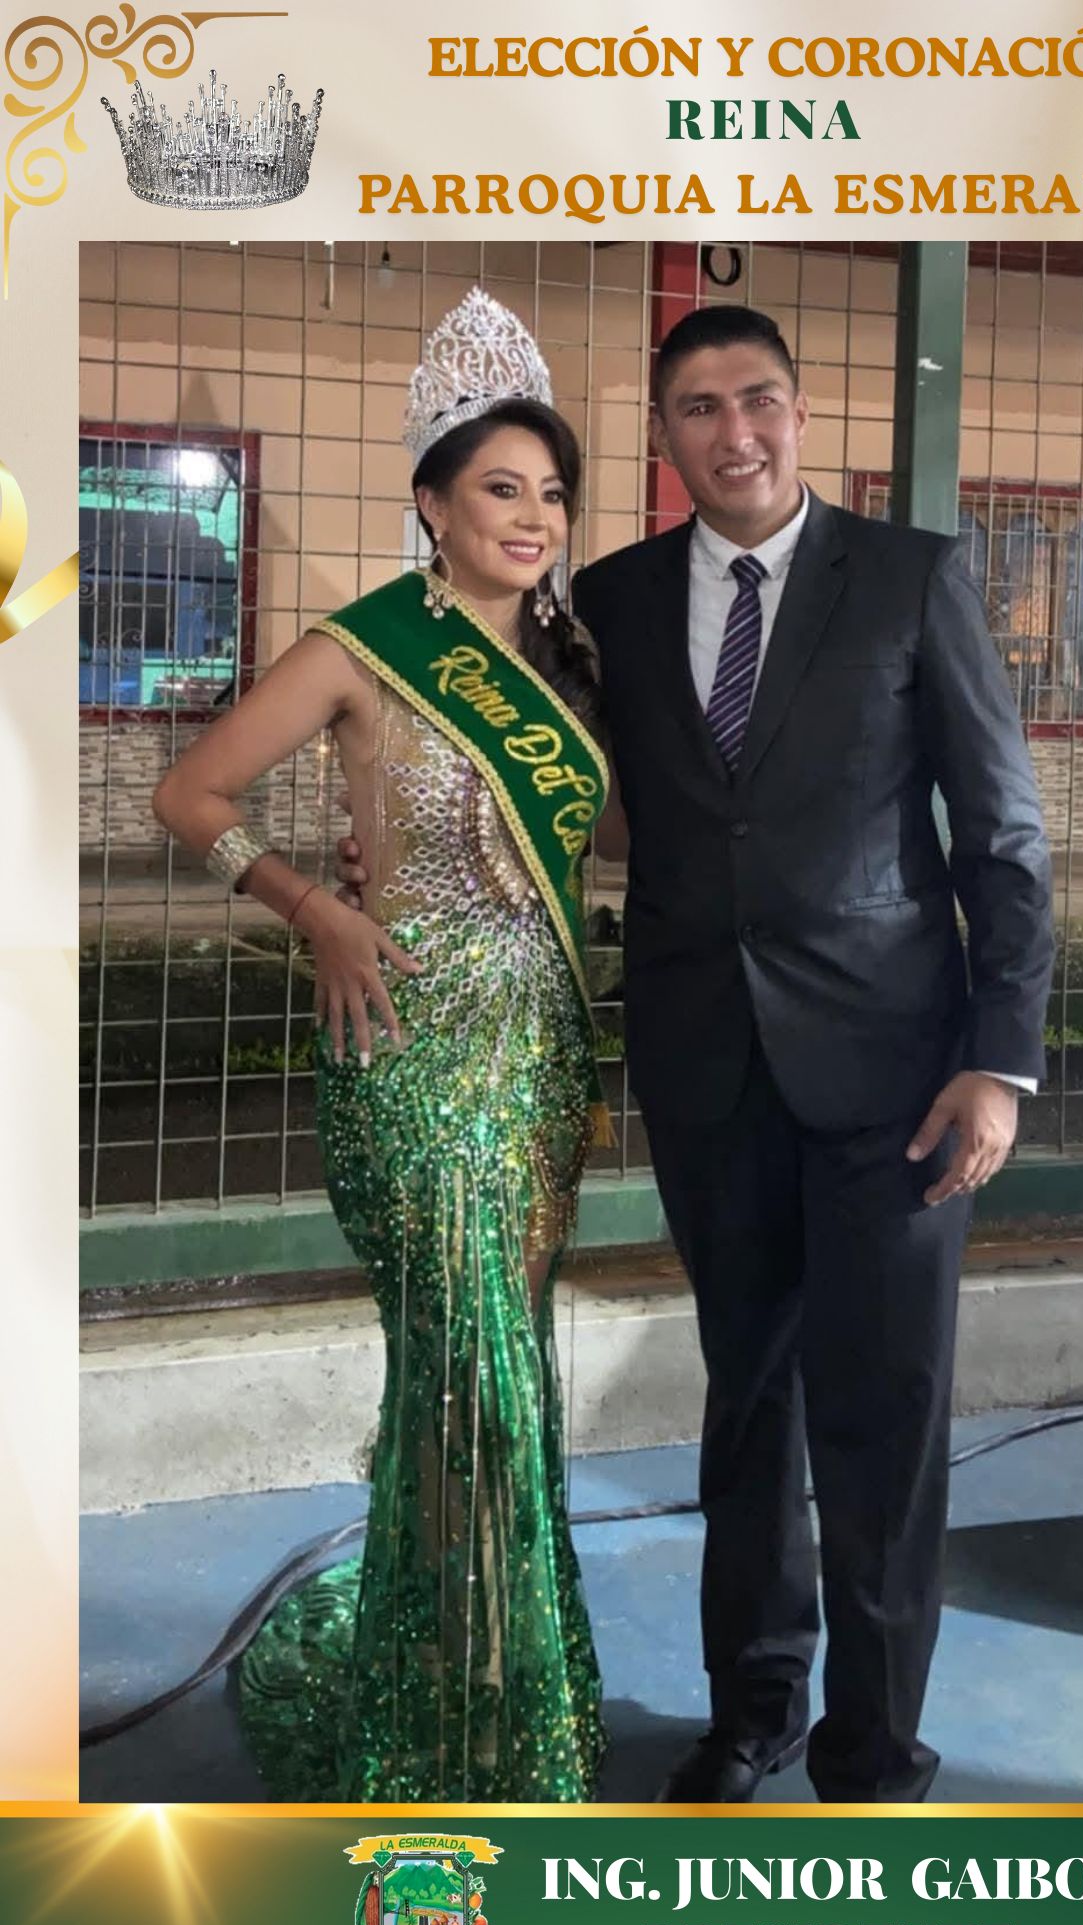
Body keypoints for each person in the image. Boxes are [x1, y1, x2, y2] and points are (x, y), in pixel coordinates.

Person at [340, 302, 1054, 1805]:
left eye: (759, 399)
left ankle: (873, 1747)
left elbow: (1001, 835)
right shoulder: (607, 598)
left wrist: (999, 1061)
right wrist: (387, 859)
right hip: (706, 1069)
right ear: (664, 438)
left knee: (883, 1416)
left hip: (899, 1080)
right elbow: (544, 782)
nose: (735, 432)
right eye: (699, 409)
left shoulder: (910, 578)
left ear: (800, 411)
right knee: (746, 1402)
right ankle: (756, 1710)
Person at [152, 288, 619, 1802]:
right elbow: (190, 795)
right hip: (407, 1045)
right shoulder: (359, 650)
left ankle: (476, 1672)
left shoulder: (569, 670)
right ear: (432, 502)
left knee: (502, 1368)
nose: (532, 517)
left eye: (551, 493)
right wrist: (318, 911)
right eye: (501, 487)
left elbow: (598, 845)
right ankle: (461, 1725)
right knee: (465, 1366)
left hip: (537, 1053)